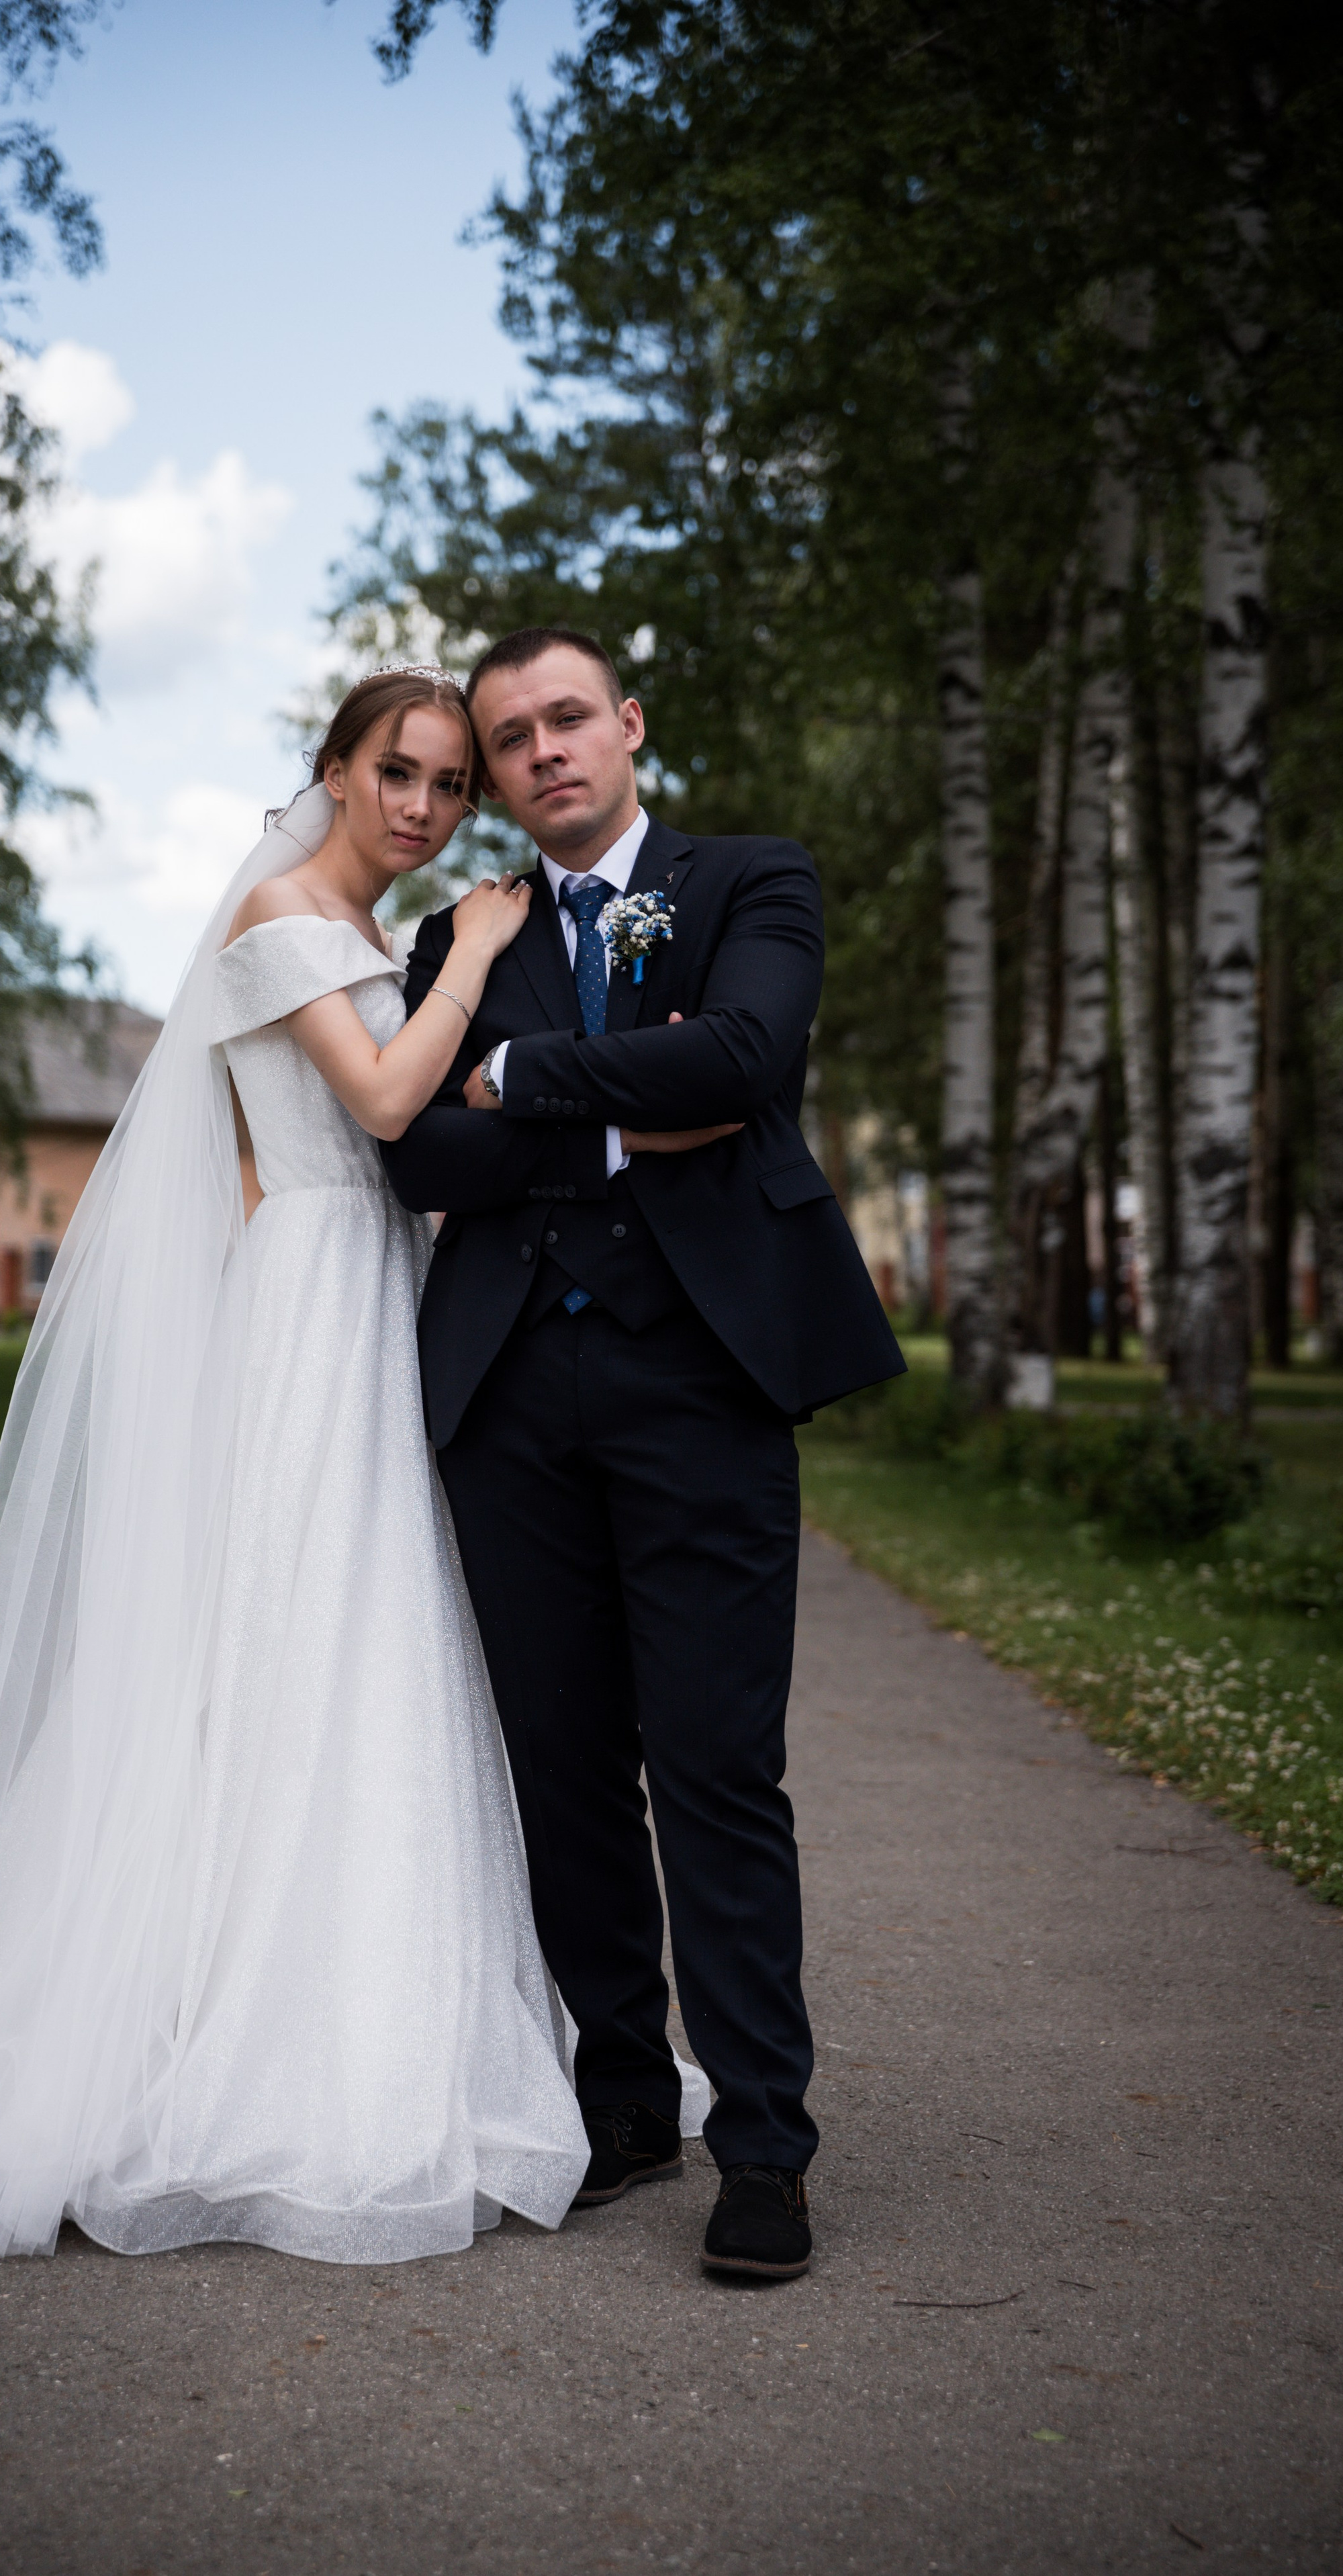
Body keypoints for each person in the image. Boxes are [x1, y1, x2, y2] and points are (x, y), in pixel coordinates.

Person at [0, 667, 686, 2264]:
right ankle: (224, 2031)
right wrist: (479, 953)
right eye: (393, 773)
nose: (420, 807)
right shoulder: (284, 920)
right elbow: (387, 1099)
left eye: (443, 787)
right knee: (285, 1631)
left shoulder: (365, 940)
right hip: (309, 1305)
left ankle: (384, 2000)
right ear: (333, 771)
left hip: (374, 1293)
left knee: (379, 1648)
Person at [381, 629, 905, 2280]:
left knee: (713, 1770)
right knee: (563, 1767)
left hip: (704, 1385)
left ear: (625, 726)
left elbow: (746, 1062)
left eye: (562, 721)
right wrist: (619, 1104)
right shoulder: (464, 934)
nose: (538, 752)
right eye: (504, 737)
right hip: (509, 1396)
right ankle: (621, 2102)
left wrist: (531, 1076)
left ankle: (762, 2144)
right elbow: (417, 1153)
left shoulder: (751, 879)